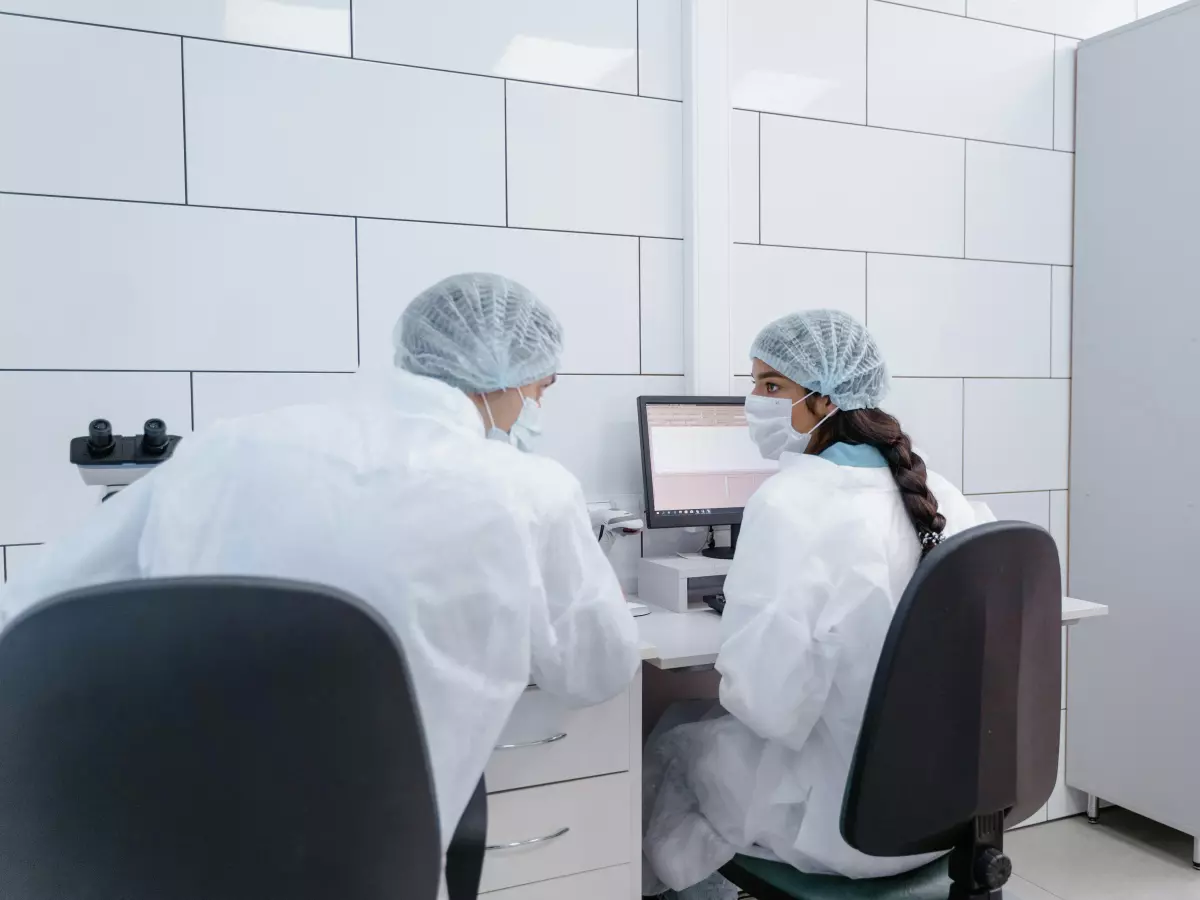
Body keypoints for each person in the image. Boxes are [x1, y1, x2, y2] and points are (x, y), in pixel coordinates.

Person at [0, 272, 641, 846]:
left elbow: (29, 612)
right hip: (377, 862)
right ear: (508, 378)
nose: (536, 409)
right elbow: (599, 670)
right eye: (541, 388)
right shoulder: (529, 490)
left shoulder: (223, 449)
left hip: (172, 847)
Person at [642, 310, 993, 899]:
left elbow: (766, 707)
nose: (753, 401)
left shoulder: (789, 502)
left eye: (772, 386)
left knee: (671, 741)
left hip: (843, 830)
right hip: (951, 814)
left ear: (826, 398)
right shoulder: (939, 492)